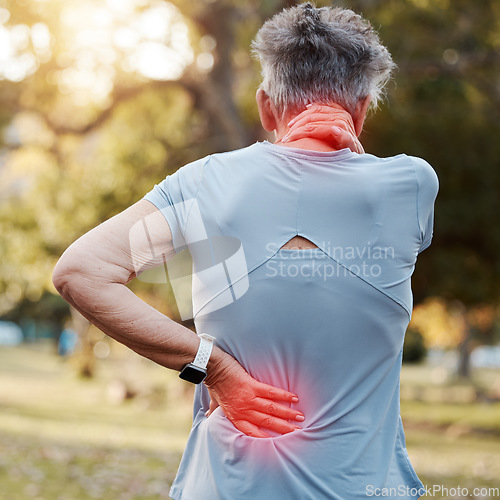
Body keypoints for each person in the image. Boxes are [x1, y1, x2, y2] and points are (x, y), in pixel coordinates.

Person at [53, 3, 439, 499]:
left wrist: (211, 366)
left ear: (264, 106)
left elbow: (80, 271)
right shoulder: (410, 184)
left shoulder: (204, 183)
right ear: (361, 110)